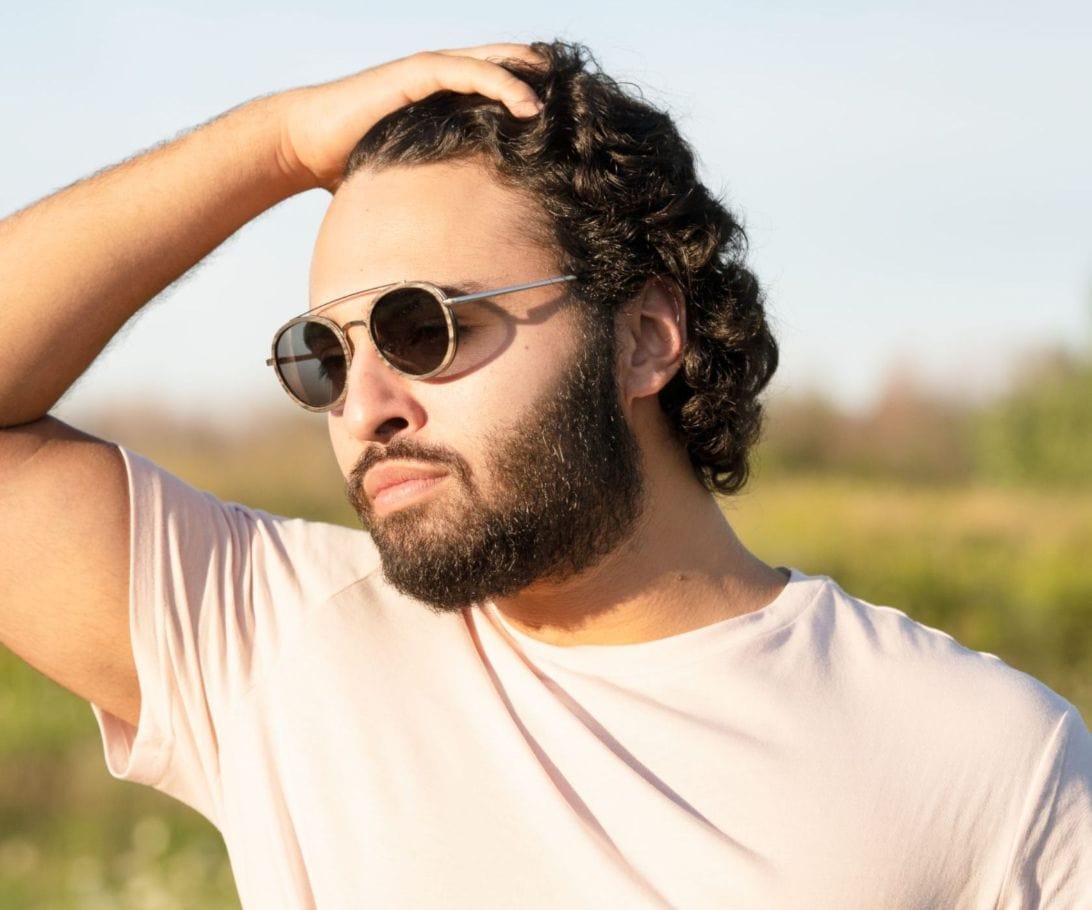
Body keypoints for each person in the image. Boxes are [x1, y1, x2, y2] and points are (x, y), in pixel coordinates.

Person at [0, 39, 1088, 908]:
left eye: (422, 326)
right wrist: (278, 144)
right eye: (324, 354)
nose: (366, 405)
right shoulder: (277, 642)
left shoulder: (988, 761)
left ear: (645, 338)